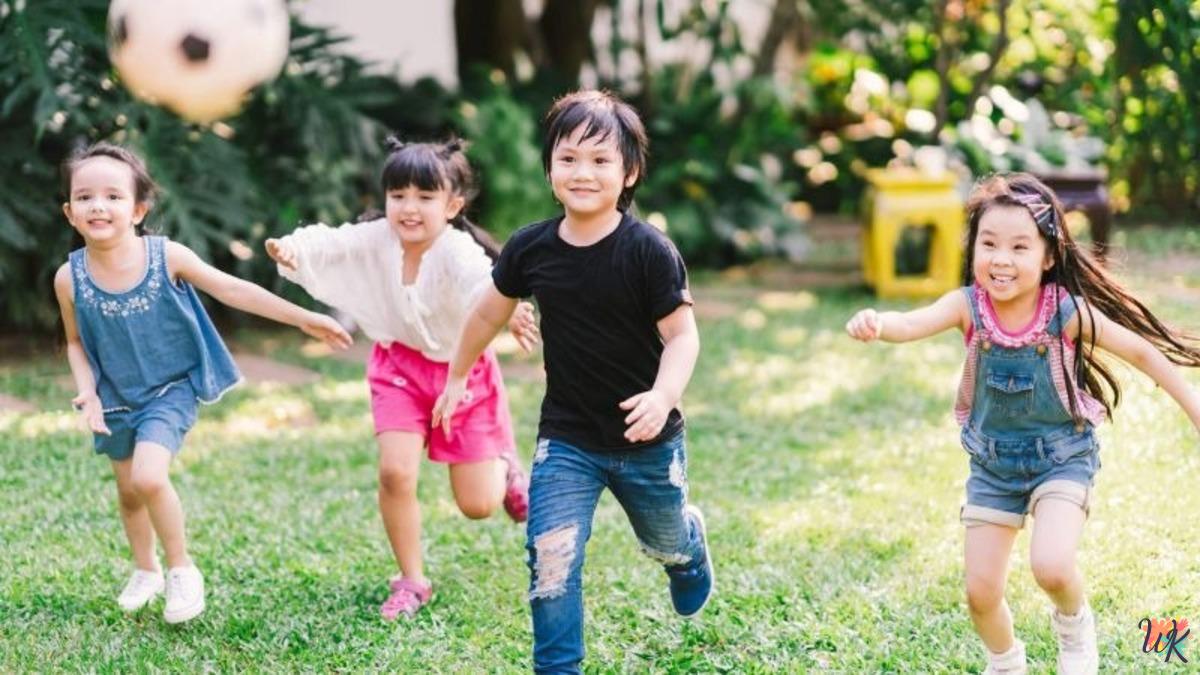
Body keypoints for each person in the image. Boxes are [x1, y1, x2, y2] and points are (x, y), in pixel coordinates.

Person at [845, 172, 1200, 674]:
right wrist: (878, 324)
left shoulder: (1066, 313)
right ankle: (1007, 662)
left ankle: (1075, 628)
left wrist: (1193, 408)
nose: (1001, 259)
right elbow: (911, 323)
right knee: (980, 593)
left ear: (1049, 256)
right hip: (993, 467)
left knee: (1051, 567)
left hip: (1062, 457)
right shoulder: (968, 306)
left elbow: (1141, 352)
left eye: (1018, 246)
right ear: (973, 251)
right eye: (988, 244)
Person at [433, 90, 714, 673]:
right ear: (550, 167)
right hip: (568, 439)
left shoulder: (649, 252)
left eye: (600, 160)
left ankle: (687, 549)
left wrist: (663, 398)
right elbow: (488, 313)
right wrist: (458, 373)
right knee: (551, 554)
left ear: (629, 171)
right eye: (568, 158)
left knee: (663, 540)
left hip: (647, 442)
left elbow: (683, 338)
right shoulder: (530, 247)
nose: (582, 173)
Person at [54, 142, 353, 624]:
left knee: (149, 477)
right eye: (85, 197)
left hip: (168, 388)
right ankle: (145, 570)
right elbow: (73, 342)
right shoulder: (69, 279)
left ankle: (181, 569)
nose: (99, 205)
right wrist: (87, 389)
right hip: (114, 396)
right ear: (70, 212)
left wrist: (303, 319)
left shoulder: (166, 255)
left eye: (113, 195)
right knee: (129, 492)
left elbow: (232, 289)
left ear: (138, 209)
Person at [266, 138, 537, 620]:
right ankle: (412, 580)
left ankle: (506, 464)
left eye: (425, 197)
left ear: (453, 205)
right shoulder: (377, 239)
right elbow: (333, 240)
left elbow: (484, 283)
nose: (409, 208)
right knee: (395, 473)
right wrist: (293, 249)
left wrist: (509, 309)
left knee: (478, 505)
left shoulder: (455, 249)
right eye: (398, 195)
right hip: (397, 369)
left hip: (461, 370)